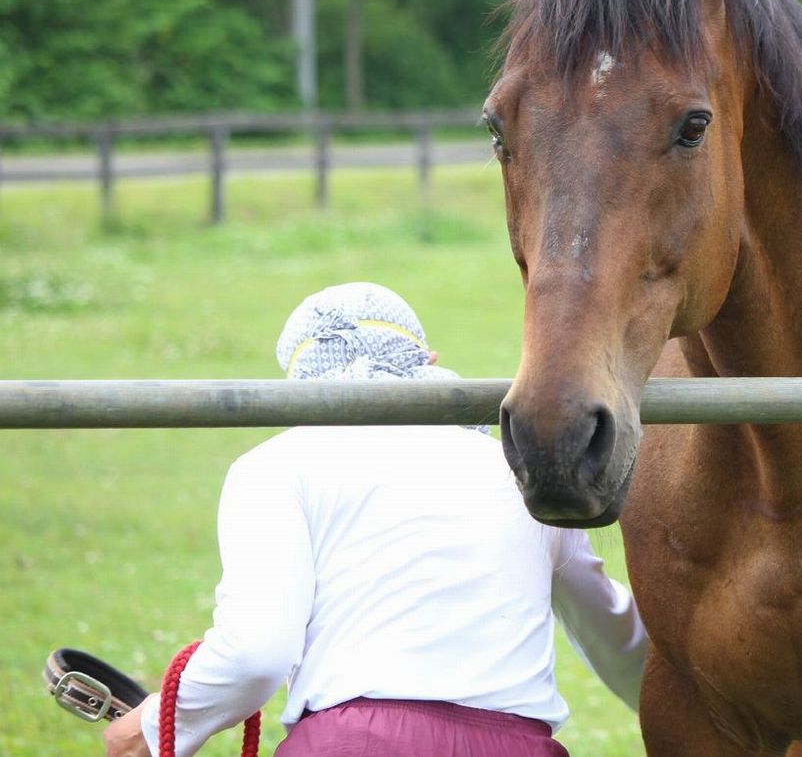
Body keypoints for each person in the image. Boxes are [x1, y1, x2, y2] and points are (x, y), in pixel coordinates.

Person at [103, 282, 647, 757]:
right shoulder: (518, 467)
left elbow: (256, 653)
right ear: (426, 360)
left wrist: (155, 727)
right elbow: (613, 633)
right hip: (513, 744)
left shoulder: (273, 466)